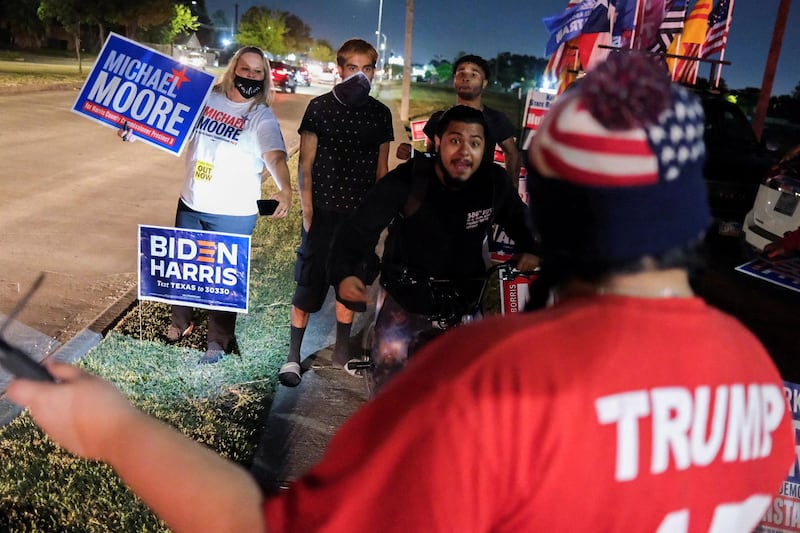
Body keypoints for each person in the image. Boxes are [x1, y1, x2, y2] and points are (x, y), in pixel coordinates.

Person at [7, 52, 794, 533]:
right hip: (410, 302)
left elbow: (262, 523)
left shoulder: (491, 385)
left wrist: (110, 428)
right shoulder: (759, 380)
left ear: (546, 201)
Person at [331, 105, 539, 393]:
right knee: (390, 377)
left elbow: (523, 222)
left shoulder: (493, 184)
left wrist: (533, 249)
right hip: (406, 296)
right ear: (438, 142)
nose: (465, 151)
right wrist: (347, 273)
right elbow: (358, 228)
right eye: (456, 140)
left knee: (473, 385)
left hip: (465, 299)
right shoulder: (409, 180)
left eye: (475, 143)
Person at [152, 46, 292, 364]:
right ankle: (180, 322)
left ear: (265, 77)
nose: (251, 76)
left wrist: (285, 188)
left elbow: (274, 155)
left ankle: (218, 340)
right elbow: (166, 123)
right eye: (246, 69)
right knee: (182, 271)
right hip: (192, 201)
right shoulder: (205, 97)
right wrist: (133, 130)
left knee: (222, 279)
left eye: (258, 72)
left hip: (233, 212)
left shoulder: (260, 115)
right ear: (233, 68)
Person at [279, 38, 394, 387]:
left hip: (358, 221)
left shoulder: (380, 114)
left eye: (368, 68)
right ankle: (293, 356)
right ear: (340, 69)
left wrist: (376, 219)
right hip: (323, 214)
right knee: (308, 286)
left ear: (375, 71)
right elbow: (306, 165)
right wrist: (308, 211)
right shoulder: (319, 108)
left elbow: (381, 170)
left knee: (350, 287)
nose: (361, 75)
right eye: (353, 68)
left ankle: (342, 350)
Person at [397, 54, 522, 184]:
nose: (466, 78)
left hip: (480, 196)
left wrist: (511, 189)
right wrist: (412, 154)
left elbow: (512, 154)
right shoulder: (438, 119)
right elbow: (432, 157)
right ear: (454, 80)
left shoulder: (496, 119)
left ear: (484, 83)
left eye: (474, 75)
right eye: (461, 73)